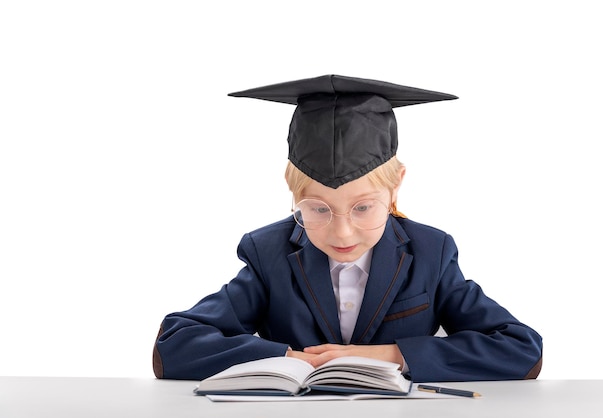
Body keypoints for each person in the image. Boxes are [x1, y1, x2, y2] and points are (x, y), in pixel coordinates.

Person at [152, 75, 543, 382]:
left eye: (363, 207)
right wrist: (287, 360)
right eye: (318, 209)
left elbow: (521, 349)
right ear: (292, 193)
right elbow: (174, 344)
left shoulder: (430, 252)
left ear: (396, 186)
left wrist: (392, 354)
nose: (342, 234)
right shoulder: (268, 252)